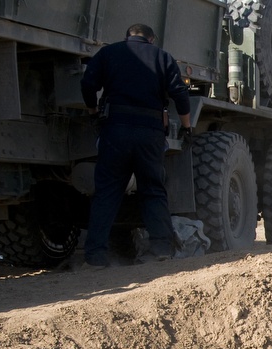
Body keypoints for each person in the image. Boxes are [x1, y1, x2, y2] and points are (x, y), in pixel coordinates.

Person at [80, 23, 192, 267]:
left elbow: (88, 83)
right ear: (151, 39)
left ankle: (96, 255)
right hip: (150, 133)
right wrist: (186, 126)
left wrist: (92, 111)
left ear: (127, 36)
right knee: (152, 189)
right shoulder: (163, 57)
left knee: (107, 192)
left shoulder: (109, 53)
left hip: (115, 130)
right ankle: (161, 247)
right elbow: (180, 94)